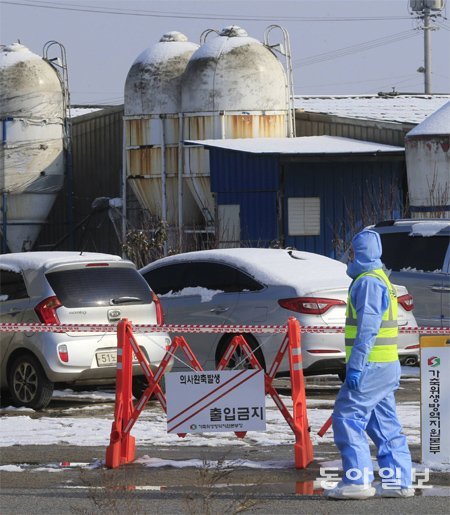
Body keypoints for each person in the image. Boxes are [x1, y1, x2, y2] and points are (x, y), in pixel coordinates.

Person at [326, 229, 414, 500]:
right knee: (383, 423)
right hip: (385, 366)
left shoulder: (367, 283)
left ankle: (357, 481)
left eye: (350, 252)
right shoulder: (381, 279)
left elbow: (367, 329)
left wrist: (355, 366)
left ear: (357, 253)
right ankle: (397, 482)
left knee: (347, 418)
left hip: (371, 367)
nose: (348, 258)